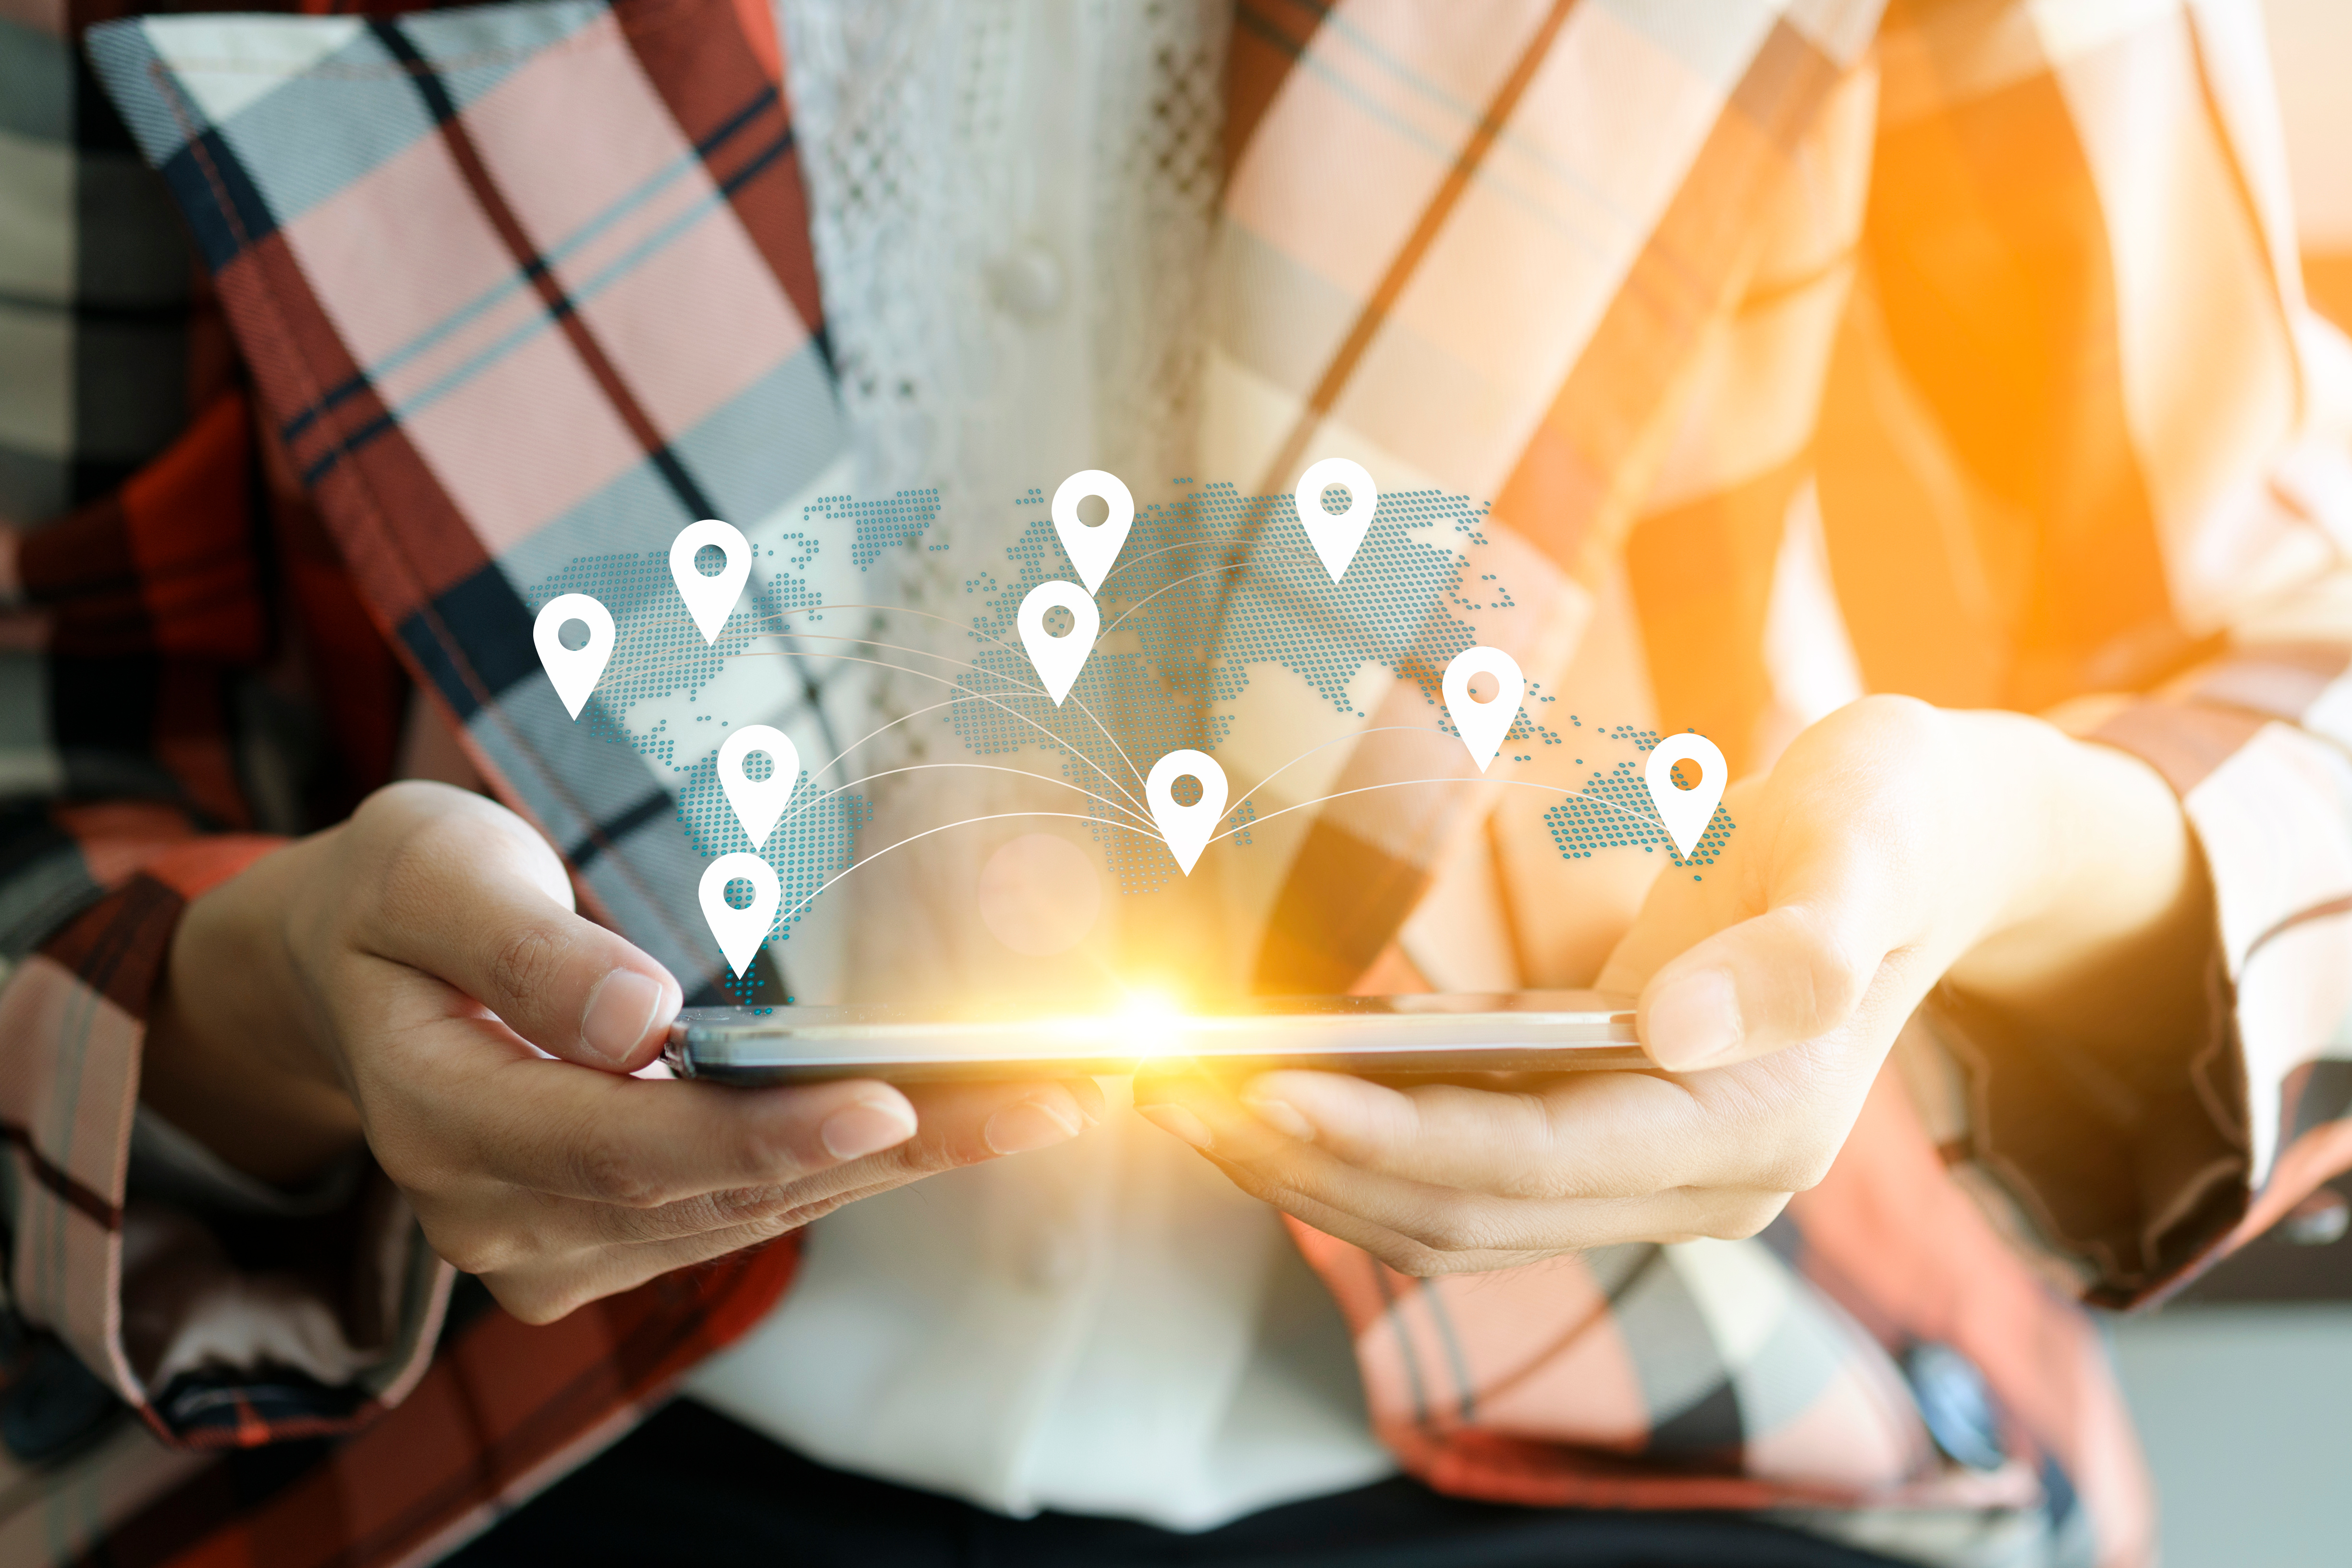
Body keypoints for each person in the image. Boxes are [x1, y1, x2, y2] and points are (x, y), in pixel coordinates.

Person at [1, 1, 2346, 1565]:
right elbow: (56, 749)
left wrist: (1978, 855)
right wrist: (274, 1015)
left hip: (1699, 1420)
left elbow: (2287, 687)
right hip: (465, 1446)